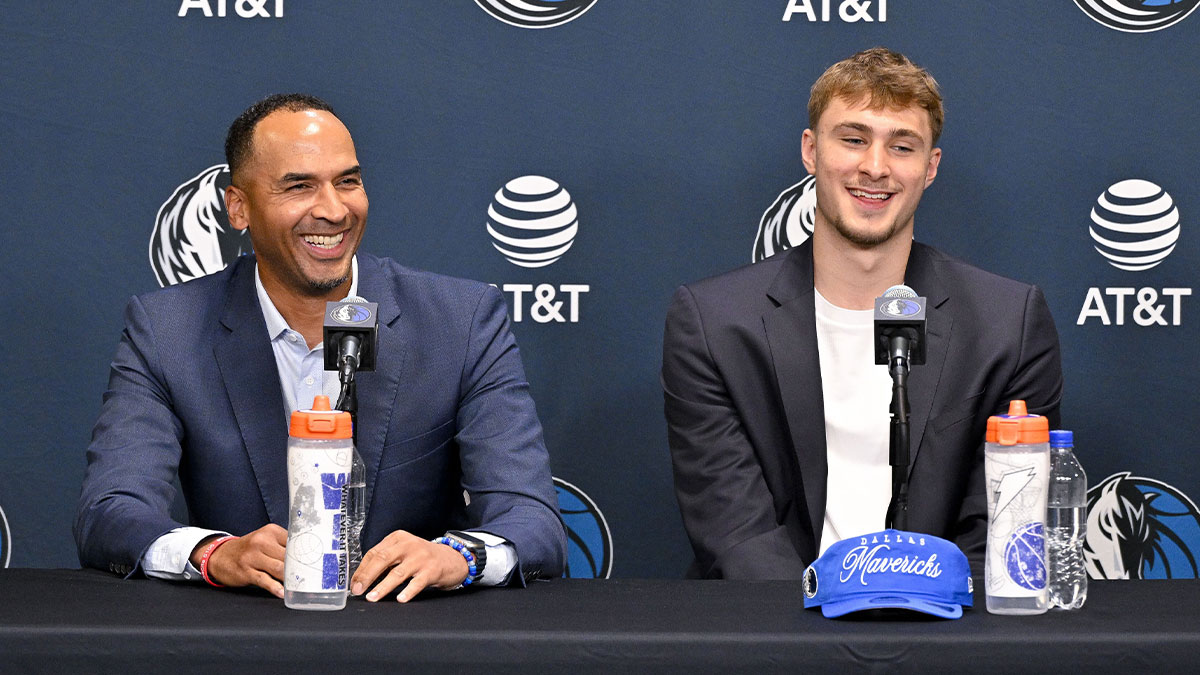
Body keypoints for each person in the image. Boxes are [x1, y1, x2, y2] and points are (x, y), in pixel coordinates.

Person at [75, 94, 566, 601]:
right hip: (241, 641)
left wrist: (458, 556)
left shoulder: (460, 321)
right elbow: (110, 509)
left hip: (411, 638)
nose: (333, 210)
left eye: (347, 182)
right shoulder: (167, 330)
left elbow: (531, 520)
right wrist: (212, 554)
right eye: (298, 186)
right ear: (239, 208)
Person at [661, 48, 1062, 579]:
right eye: (853, 139)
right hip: (776, 634)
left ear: (931, 168)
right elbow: (736, 533)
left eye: (902, 146)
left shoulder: (1007, 323)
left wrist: (914, 625)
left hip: (945, 637)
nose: (875, 167)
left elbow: (1002, 531)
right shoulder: (714, 323)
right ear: (810, 151)